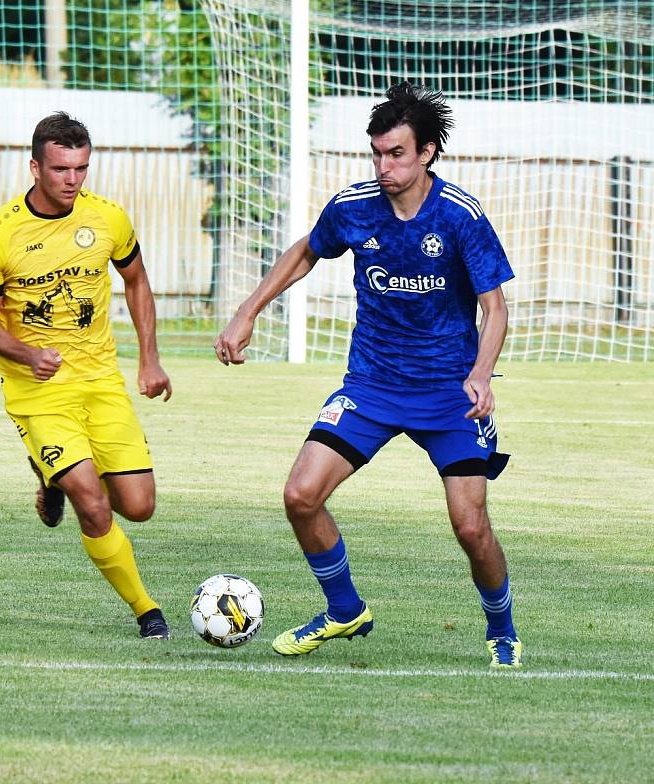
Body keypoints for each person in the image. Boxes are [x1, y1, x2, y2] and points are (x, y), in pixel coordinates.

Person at [215, 82, 522, 668]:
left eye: (397, 154)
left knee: (469, 526)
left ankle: (501, 629)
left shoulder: (460, 217)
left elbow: (496, 307)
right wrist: (246, 312)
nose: (384, 166)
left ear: (427, 151)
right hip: (372, 386)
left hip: (449, 393)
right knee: (300, 496)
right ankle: (343, 609)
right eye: (377, 153)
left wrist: (482, 375)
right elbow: (307, 250)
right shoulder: (353, 207)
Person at [0, 111, 171, 640]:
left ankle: (49, 471)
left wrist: (148, 358)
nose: (72, 180)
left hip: (100, 380)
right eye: (61, 168)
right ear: (35, 166)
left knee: (139, 507)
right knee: (91, 500)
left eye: (81, 168)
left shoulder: (108, 218)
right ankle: (147, 611)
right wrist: (24, 352)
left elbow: (137, 281)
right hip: (38, 390)